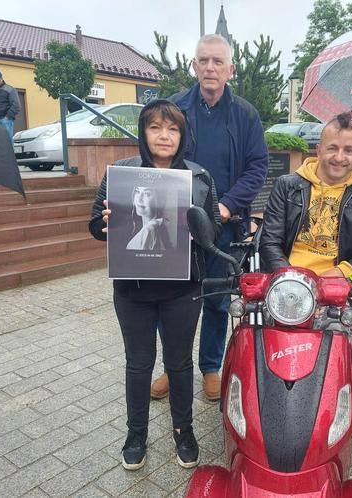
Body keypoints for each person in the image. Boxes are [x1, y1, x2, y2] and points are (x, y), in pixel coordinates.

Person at [89, 99, 221, 471]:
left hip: (182, 288)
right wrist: (107, 222)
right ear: (143, 133)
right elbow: (96, 228)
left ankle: (184, 430)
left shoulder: (199, 177)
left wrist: (198, 227)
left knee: (179, 364)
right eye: (155, 127)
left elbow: (215, 231)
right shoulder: (120, 173)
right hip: (133, 291)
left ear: (182, 135)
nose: (164, 136)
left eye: (173, 129)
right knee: (138, 364)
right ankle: (136, 434)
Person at [150, 34, 268, 402]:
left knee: (217, 298)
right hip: (180, 222)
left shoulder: (245, 114)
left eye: (218, 62)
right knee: (177, 297)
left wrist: (227, 206)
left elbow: (258, 166)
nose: (210, 68)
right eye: (204, 61)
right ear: (194, 66)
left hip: (224, 223)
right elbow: (159, 157)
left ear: (230, 69)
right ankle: (174, 366)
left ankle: (211, 367)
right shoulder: (175, 109)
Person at [259, 112, 352, 277]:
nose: (339, 157)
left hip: (335, 288)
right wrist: (291, 277)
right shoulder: (286, 185)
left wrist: (342, 271)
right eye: (332, 148)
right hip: (288, 281)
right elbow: (269, 242)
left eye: (348, 150)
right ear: (318, 150)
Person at [125, 186, 170, 251]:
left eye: (147, 194)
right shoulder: (156, 226)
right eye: (137, 192)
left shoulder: (149, 230)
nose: (139, 199)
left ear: (159, 200)